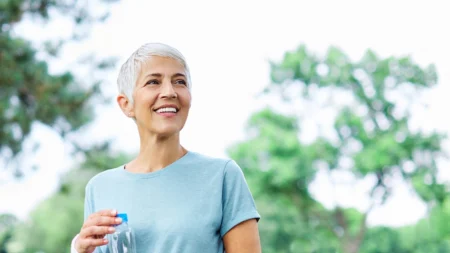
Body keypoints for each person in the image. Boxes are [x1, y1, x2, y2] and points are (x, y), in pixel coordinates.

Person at [70, 42, 261, 253]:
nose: (169, 92)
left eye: (180, 82)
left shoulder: (222, 176)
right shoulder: (100, 187)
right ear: (126, 104)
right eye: (153, 82)